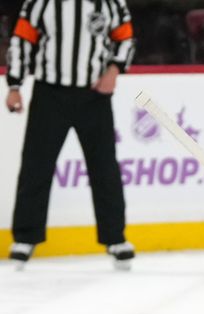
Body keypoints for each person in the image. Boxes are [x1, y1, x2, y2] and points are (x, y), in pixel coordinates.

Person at [5, 0, 136, 269]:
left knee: (104, 168)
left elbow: (125, 37)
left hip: (94, 93)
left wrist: (113, 71)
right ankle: (25, 237)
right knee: (35, 166)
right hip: (49, 93)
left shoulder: (110, 2)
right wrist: (15, 84)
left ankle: (115, 238)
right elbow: (21, 39)